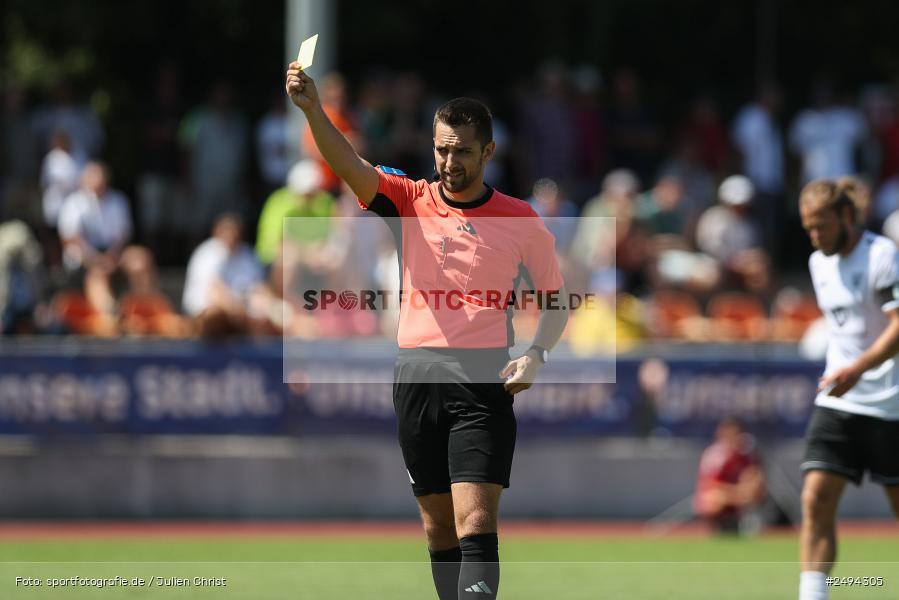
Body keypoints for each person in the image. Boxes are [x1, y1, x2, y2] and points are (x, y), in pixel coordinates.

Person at [286, 63, 568, 599]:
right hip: (416, 376)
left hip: (484, 379)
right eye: (441, 149)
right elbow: (349, 165)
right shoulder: (410, 200)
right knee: (438, 528)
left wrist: (536, 356)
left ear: (487, 153)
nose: (448, 162)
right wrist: (312, 110)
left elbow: (556, 304)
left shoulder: (521, 220)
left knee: (475, 520)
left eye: (461, 151)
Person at [797, 178, 899, 600]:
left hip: (891, 403)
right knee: (815, 497)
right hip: (839, 399)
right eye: (808, 228)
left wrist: (858, 369)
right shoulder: (818, 262)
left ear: (845, 215)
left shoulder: (882, 255)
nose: (816, 236)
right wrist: (847, 374)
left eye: (822, 225)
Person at [694, 418, 766, 534]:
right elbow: (711, 485)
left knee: (755, 492)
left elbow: (755, 477)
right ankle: (714, 528)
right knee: (716, 497)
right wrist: (737, 492)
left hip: (738, 498)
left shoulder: (746, 455)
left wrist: (750, 486)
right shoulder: (715, 455)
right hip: (721, 498)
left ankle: (751, 524)